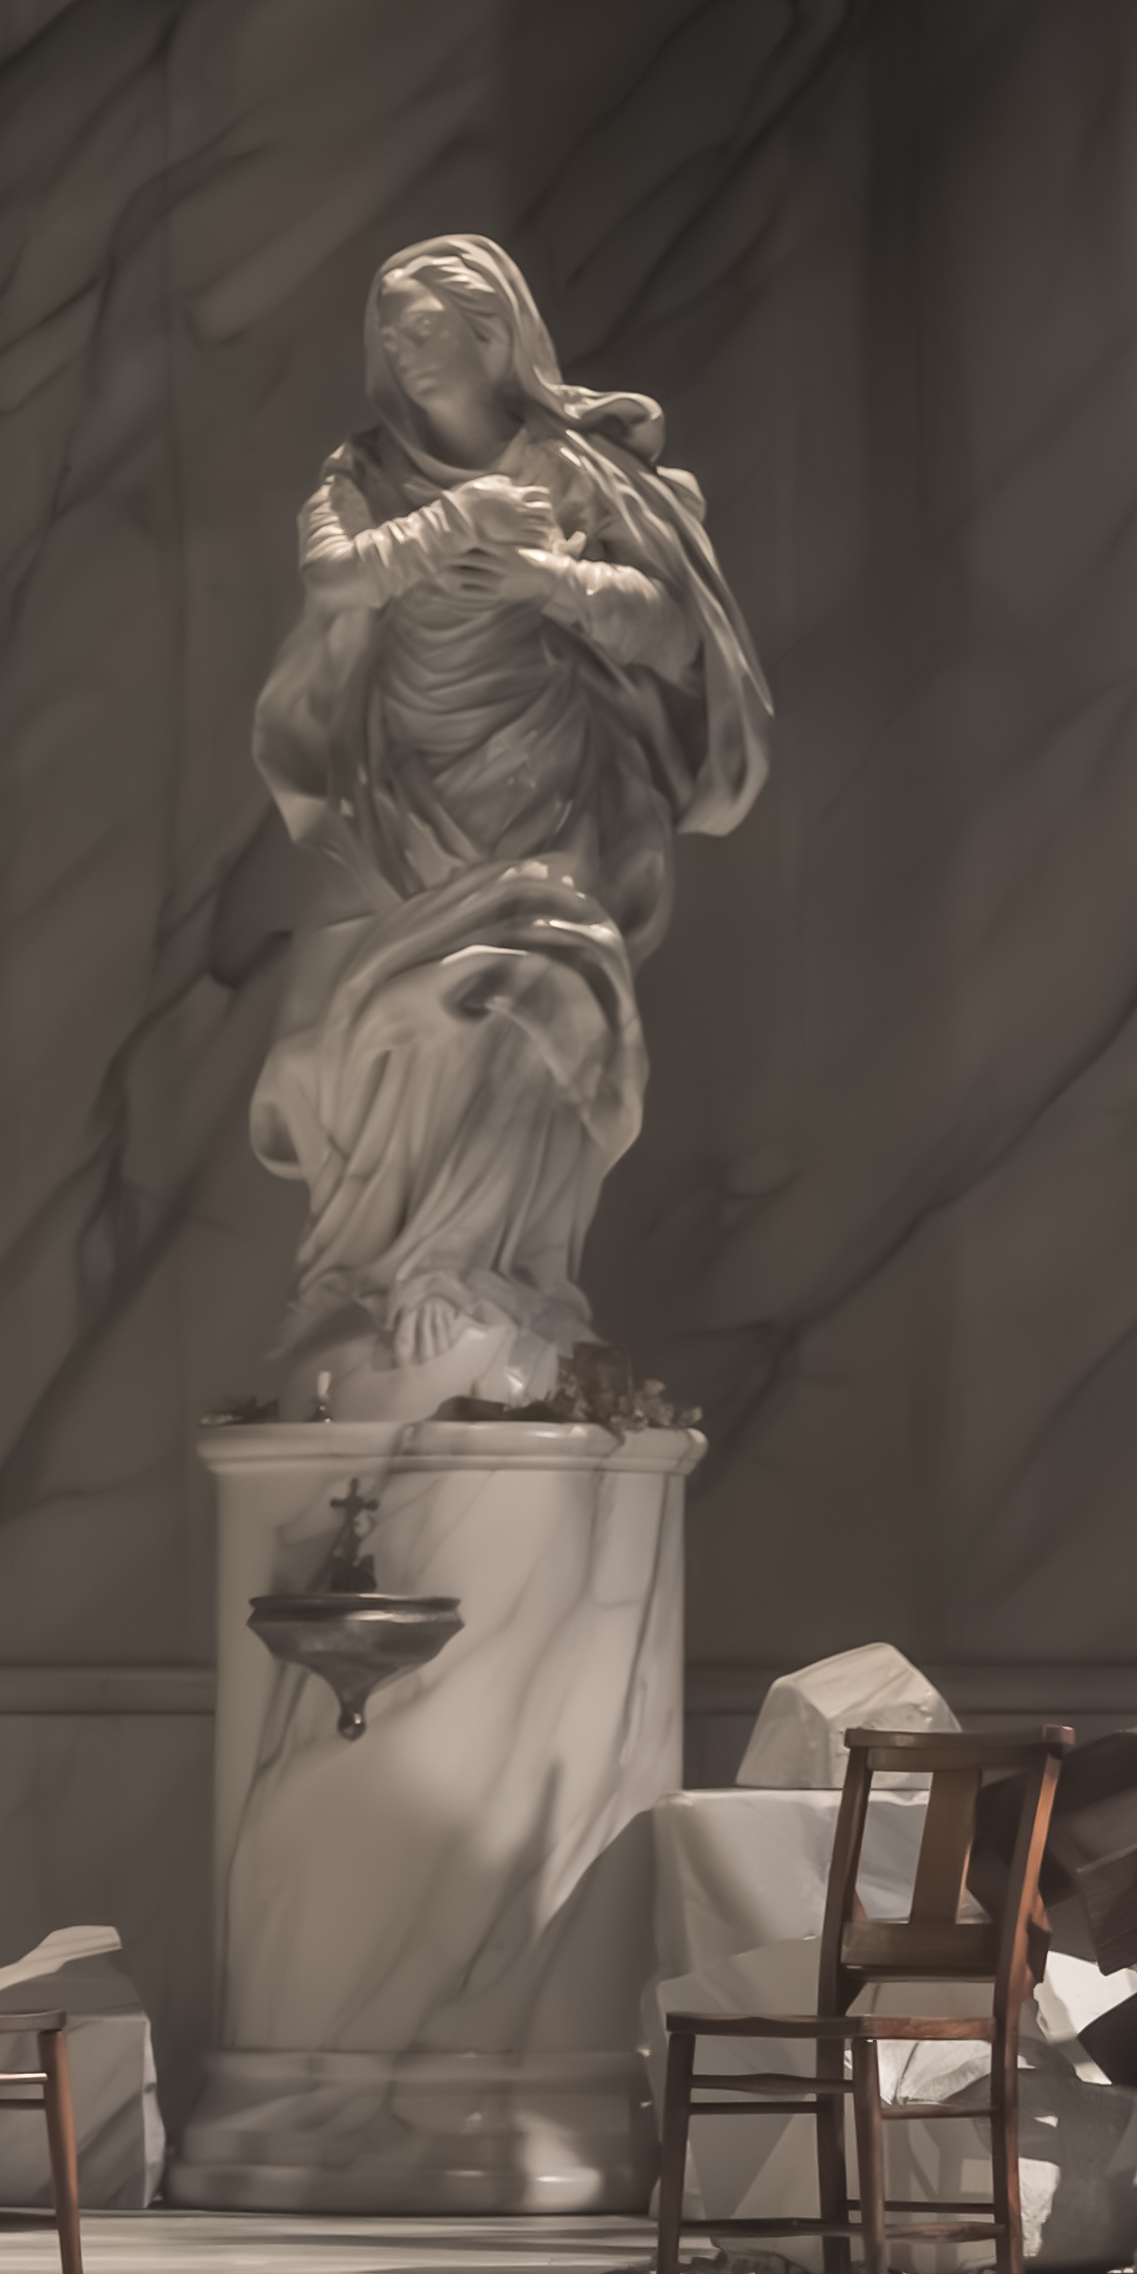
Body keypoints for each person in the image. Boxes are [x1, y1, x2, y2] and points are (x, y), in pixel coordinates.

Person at [246, 233, 772, 1416]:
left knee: (525, 992)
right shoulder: (363, 471)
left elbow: (676, 634)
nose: (400, 349)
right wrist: (449, 528)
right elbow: (333, 581)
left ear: (492, 338)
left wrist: (554, 586)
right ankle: (363, 1267)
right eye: (387, 331)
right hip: (393, 788)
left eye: (422, 326)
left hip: (541, 782)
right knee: (348, 1041)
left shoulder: (569, 468)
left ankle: (481, 1261)